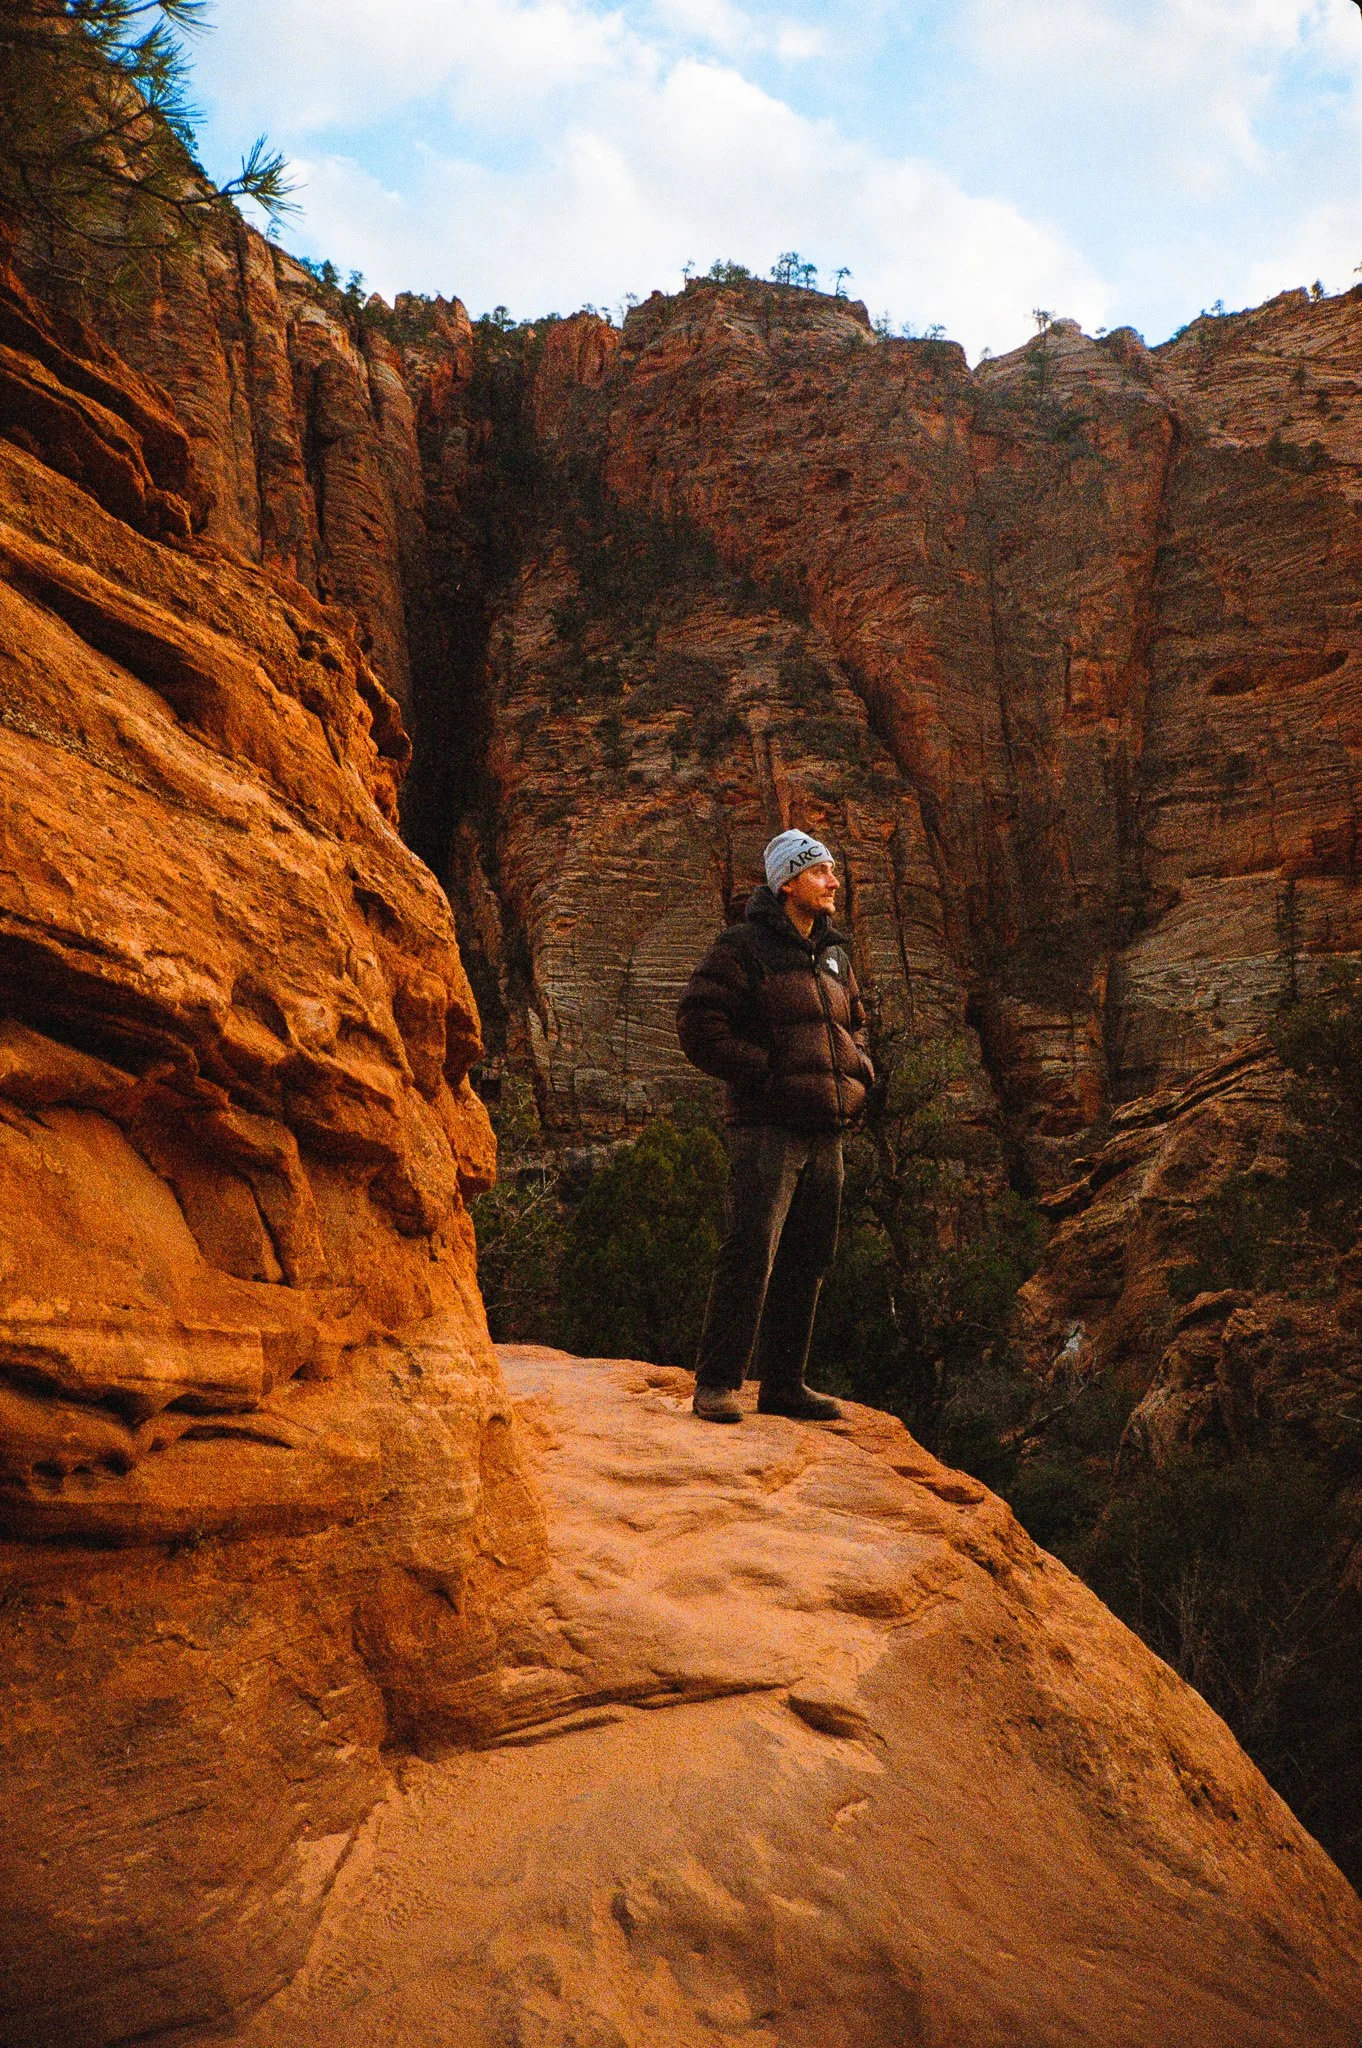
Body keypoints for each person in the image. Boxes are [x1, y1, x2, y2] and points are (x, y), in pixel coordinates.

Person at [676, 829, 874, 1423]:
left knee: (808, 1257)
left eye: (831, 871)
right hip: (765, 1126)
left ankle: (784, 1385)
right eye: (820, 872)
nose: (833, 882)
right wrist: (767, 1073)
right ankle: (717, 1384)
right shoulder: (743, 947)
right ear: (788, 881)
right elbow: (698, 1024)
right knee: (751, 1251)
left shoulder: (835, 953)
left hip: (826, 1126)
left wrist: (859, 1070)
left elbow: (857, 1022)